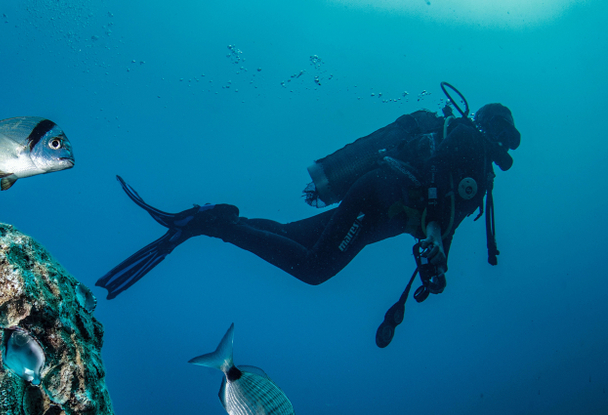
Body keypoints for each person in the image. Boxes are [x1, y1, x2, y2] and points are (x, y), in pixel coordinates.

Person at [97, 90, 520, 315]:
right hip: (378, 199)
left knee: (289, 237)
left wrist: (437, 255)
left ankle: (216, 217)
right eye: (504, 133)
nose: (503, 145)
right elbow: (434, 192)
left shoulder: (474, 165)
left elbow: (439, 219)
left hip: (378, 205)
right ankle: (215, 225)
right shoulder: (470, 147)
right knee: (314, 269)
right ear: (491, 128)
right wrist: (434, 246)